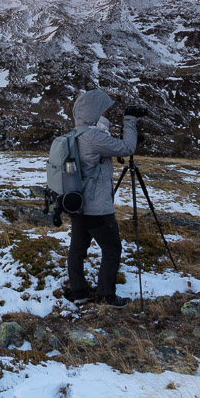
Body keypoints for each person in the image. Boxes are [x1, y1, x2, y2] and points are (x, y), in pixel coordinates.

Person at [66, 89, 139, 308]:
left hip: (78, 205)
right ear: (93, 111)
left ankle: (78, 292)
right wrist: (130, 121)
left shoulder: (76, 134)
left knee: (77, 251)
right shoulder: (94, 136)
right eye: (102, 109)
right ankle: (106, 296)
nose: (104, 112)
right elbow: (127, 148)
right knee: (112, 249)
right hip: (97, 208)